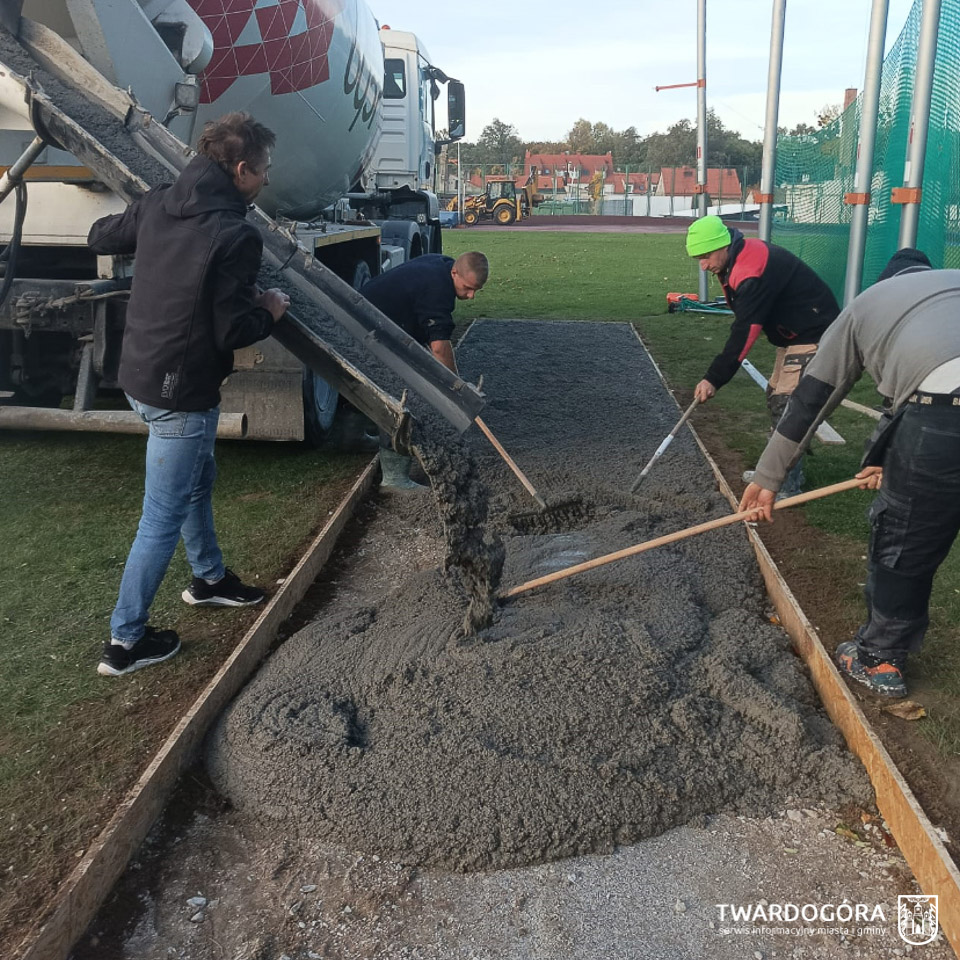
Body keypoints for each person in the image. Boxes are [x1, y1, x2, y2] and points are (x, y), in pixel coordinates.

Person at [88, 112, 290, 677]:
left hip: (139, 377)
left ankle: (209, 580)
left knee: (197, 482)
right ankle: (125, 643)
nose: (267, 181)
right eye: (264, 171)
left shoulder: (158, 202)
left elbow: (100, 235)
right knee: (162, 515)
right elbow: (234, 331)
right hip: (181, 394)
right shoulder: (235, 233)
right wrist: (269, 310)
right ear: (242, 170)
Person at [738, 249, 954, 700]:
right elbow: (904, 401)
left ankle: (879, 657)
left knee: (905, 539)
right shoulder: (948, 289)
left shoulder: (865, 306)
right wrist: (885, 457)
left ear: (883, 282)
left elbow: (811, 399)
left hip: (940, 416)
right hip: (935, 407)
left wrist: (767, 478)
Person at [685, 215, 840, 496]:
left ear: (722, 245)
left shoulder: (750, 271)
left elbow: (745, 332)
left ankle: (784, 486)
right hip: (794, 334)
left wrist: (714, 378)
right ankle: (772, 471)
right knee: (775, 396)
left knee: (788, 406)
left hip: (814, 332)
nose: (703, 265)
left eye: (705, 256)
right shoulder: (736, 257)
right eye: (698, 258)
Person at [360, 251, 489, 489]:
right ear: (455, 273)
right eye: (468, 288)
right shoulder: (438, 290)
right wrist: (456, 388)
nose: (470, 296)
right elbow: (439, 347)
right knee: (403, 396)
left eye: (476, 291)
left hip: (372, 319)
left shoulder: (441, 265)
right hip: (367, 329)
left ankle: (357, 437)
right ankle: (394, 479)